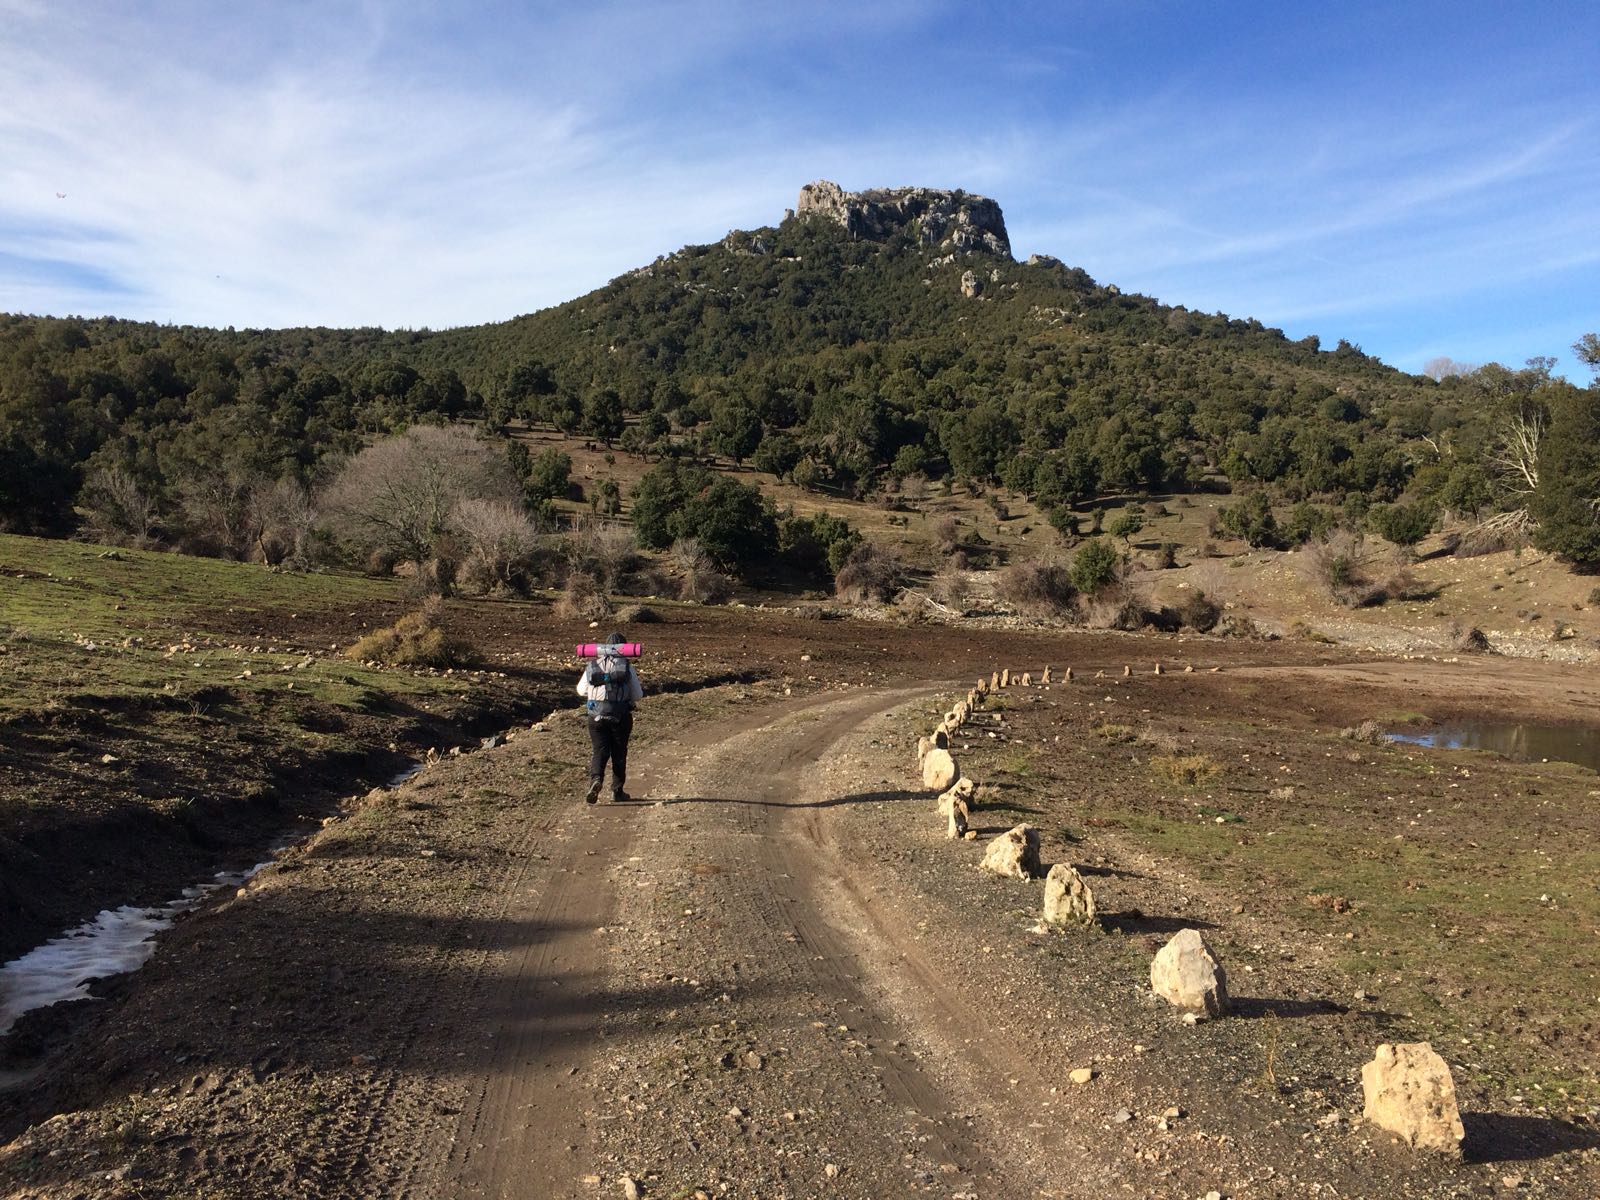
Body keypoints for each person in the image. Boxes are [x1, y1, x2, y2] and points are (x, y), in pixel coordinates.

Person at [576, 631, 643, 803]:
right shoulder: (626, 666)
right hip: (620, 716)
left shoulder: (593, 665)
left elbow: (581, 690)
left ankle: (596, 780)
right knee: (619, 753)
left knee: (599, 751)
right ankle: (617, 791)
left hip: (595, 716)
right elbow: (638, 694)